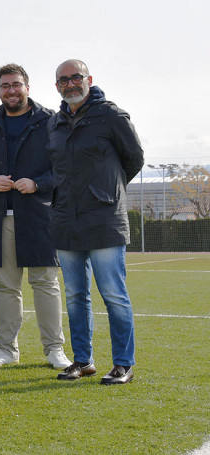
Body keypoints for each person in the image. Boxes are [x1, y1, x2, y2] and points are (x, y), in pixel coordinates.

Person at [0, 64, 70, 369]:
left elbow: (64, 165)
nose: (11, 90)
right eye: (5, 85)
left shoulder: (50, 121)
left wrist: (39, 183)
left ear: (28, 86)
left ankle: (54, 350)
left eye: (16, 84)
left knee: (45, 282)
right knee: (6, 286)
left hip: (38, 215)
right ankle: (6, 349)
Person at [47, 59, 144, 384]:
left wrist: (107, 192)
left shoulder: (112, 116)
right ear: (57, 85)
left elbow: (134, 158)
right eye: (64, 79)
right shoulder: (55, 122)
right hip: (66, 221)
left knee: (113, 294)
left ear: (89, 79)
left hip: (105, 220)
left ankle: (123, 364)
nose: (71, 83)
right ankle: (83, 361)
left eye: (76, 77)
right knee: (75, 296)